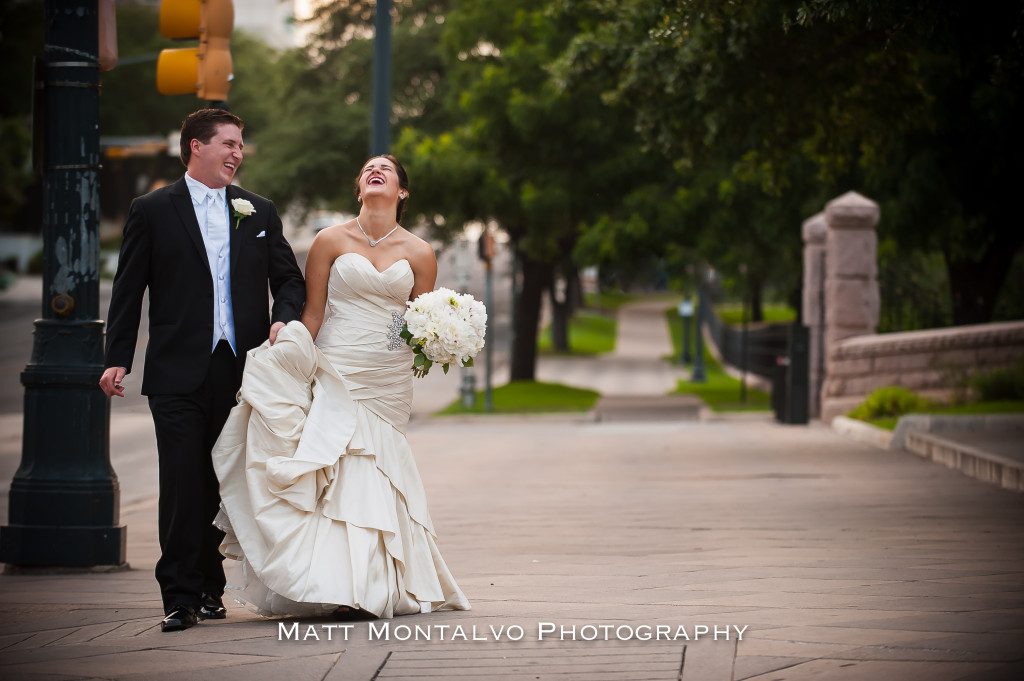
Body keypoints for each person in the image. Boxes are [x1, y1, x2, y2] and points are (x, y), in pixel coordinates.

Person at [211, 155, 470, 619]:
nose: (376, 172)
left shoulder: (420, 252)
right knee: (338, 463)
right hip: (339, 362)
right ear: (358, 188)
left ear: (402, 191)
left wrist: (444, 340)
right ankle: (339, 583)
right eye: (369, 169)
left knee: (379, 468)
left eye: (386, 170)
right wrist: (287, 342)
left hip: (387, 372)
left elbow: (421, 321)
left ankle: (376, 581)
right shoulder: (329, 240)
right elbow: (312, 312)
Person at [99, 109, 306, 632]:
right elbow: (129, 288)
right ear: (196, 146)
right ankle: (179, 595)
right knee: (182, 481)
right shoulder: (153, 210)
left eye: (240, 145)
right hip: (176, 371)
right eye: (229, 144)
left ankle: (211, 589)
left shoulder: (258, 211)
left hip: (241, 371)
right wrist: (116, 357)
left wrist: (283, 321)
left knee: (224, 478)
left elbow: (289, 280)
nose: (238, 153)